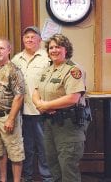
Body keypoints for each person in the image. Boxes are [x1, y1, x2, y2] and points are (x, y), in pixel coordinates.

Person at [32, 34, 91, 182]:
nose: (54, 50)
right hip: (49, 124)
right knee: (53, 165)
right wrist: (40, 105)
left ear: (66, 49)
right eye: (51, 47)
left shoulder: (73, 70)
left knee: (68, 167)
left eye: (58, 46)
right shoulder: (47, 70)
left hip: (68, 126)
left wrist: (46, 105)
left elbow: (73, 98)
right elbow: (36, 91)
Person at [12, 26, 52, 182]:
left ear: (40, 40)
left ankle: (47, 177)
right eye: (27, 37)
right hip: (21, 113)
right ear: (23, 40)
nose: (29, 40)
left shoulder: (47, 58)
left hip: (41, 111)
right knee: (26, 148)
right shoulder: (16, 59)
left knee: (44, 148)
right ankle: (26, 177)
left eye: (33, 37)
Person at [0, 37, 25, 182]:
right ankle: (3, 179)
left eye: (2, 48)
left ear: (9, 50)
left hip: (8, 117)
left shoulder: (14, 70)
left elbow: (19, 96)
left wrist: (11, 119)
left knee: (15, 153)